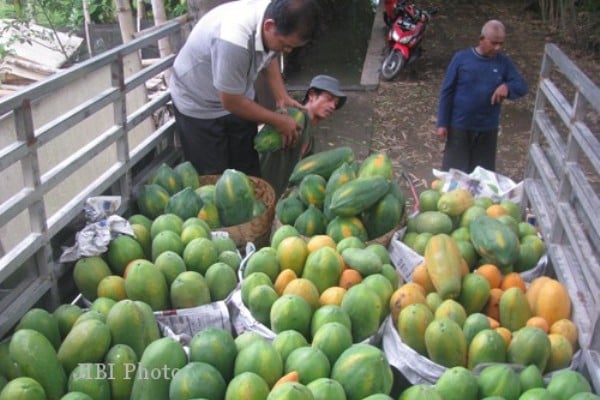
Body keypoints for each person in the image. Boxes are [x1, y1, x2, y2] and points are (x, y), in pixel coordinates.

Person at [169, 0, 321, 177]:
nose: (287, 51)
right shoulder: (233, 39)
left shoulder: (270, 16)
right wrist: (278, 121)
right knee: (213, 180)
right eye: (285, 45)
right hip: (199, 103)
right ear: (269, 26)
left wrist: (282, 96)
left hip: (237, 94)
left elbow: (270, 54)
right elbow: (231, 102)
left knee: (247, 172)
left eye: (292, 47)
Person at [435, 19, 528, 173]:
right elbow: (447, 91)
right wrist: (442, 123)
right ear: (481, 39)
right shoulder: (461, 59)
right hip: (460, 125)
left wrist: (507, 87)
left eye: (501, 43)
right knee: (454, 174)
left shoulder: (503, 62)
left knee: (481, 175)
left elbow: (522, 86)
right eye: (493, 43)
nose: (498, 48)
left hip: (487, 128)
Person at [260, 74, 346, 198]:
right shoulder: (293, 117)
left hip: (273, 199)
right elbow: (261, 142)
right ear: (311, 95)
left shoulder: (310, 140)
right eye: (329, 99)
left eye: (336, 103)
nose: (333, 106)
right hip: (258, 189)